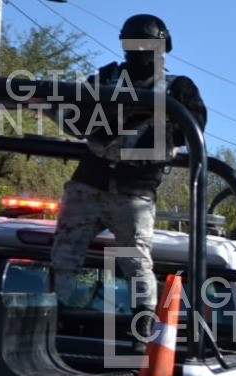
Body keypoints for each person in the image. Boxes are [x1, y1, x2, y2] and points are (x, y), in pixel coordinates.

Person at [51, 14, 206, 324]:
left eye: (146, 43)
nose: (140, 51)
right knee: (64, 257)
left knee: (135, 263)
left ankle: (144, 328)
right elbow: (74, 119)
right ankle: (53, 318)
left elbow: (192, 129)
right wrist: (108, 120)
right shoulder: (106, 78)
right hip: (91, 180)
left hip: (135, 188)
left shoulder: (178, 88)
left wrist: (139, 120)